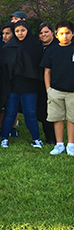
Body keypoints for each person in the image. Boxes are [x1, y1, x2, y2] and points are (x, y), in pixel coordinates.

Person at [0, 21, 43, 148]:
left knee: (30, 114)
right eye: (17, 31)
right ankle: (5, 137)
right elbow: (3, 68)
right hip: (12, 86)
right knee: (10, 112)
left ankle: (36, 139)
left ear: (27, 31)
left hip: (30, 86)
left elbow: (39, 67)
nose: (20, 33)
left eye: (23, 30)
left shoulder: (35, 47)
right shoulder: (7, 48)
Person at [41, 21, 74, 156]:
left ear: (72, 34)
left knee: (72, 119)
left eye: (67, 33)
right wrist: (49, 89)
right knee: (57, 118)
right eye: (61, 33)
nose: (64, 36)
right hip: (55, 90)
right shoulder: (52, 50)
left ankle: (71, 145)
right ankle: (59, 144)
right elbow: (47, 71)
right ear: (56, 35)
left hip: (72, 91)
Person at [37, 22, 57, 145]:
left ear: (52, 32)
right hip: (40, 83)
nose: (43, 35)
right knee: (44, 111)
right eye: (41, 33)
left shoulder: (58, 46)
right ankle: (49, 138)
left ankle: (56, 138)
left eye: (46, 32)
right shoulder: (38, 47)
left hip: (56, 82)